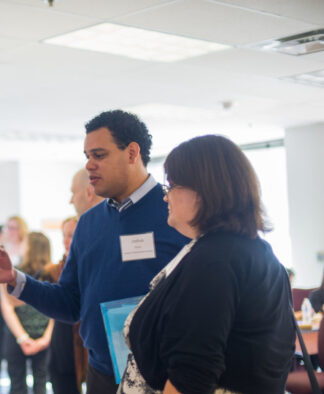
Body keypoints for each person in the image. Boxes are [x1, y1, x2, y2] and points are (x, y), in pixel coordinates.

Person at [0, 110, 189, 394]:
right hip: (102, 375)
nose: (90, 165)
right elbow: (70, 303)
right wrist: (16, 279)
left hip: (162, 377)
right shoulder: (89, 224)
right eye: (87, 156)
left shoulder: (176, 211)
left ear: (132, 153)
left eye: (99, 155)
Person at [118, 135, 295, 394]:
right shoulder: (252, 250)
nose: (165, 198)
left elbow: (191, 374)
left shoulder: (215, 260)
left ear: (204, 191)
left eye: (171, 186)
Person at [0, 232, 54, 394]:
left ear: (31, 248)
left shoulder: (51, 273)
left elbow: (7, 306)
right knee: (39, 382)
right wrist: (44, 339)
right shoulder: (51, 274)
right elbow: (57, 310)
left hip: (22, 336)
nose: (21, 246)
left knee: (23, 383)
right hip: (36, 336)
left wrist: (25, 338)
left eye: (24, 243)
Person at [43, 216, 87, 394]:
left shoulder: (91, 268)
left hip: (87, 344)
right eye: (64, 235)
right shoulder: (52, 271)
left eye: (71, 235)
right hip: (62, 344)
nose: (66, 241)